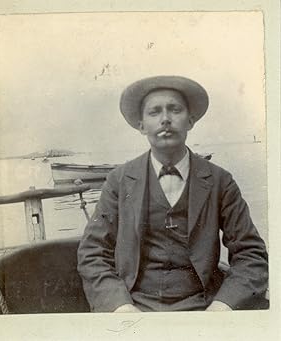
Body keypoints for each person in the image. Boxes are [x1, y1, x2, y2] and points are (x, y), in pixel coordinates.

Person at [77, 75, 268, 312]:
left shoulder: (220, 181)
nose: (165, 119)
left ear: (190, 120)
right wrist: (120, 307)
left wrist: (223, 306)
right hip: (135, 305)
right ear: (141, 125)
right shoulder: (120, 180)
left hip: (205, 305)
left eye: (174, 110)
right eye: (154, 112)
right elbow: (92, 253)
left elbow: (251, 254)